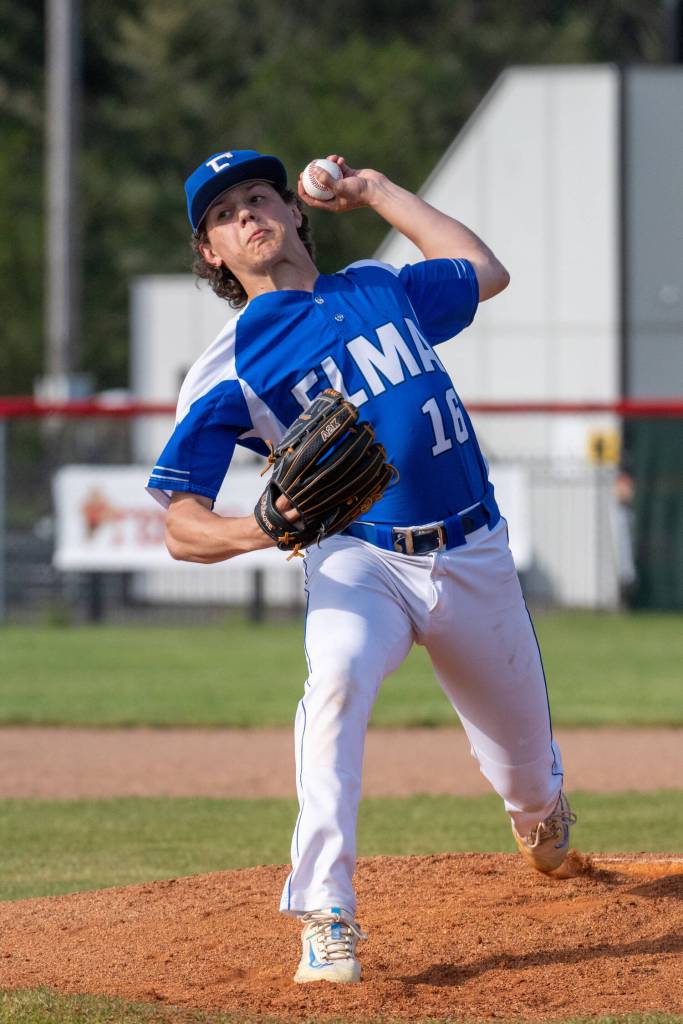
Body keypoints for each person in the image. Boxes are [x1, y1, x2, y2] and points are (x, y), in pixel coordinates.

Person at [147, 148, 576, 985]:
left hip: (473, 551)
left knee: (527, 786)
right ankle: (325, 914)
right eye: (225, 213)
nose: (249, 213)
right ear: (212, 254)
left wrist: (375, 190)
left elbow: (484, 271)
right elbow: (179, 526)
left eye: (261, 195)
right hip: (357, 558)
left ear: (295, 212)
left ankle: (540, 815)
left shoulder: (381, 288)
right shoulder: (230, 363)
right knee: (334, 679)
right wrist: (259, 528)